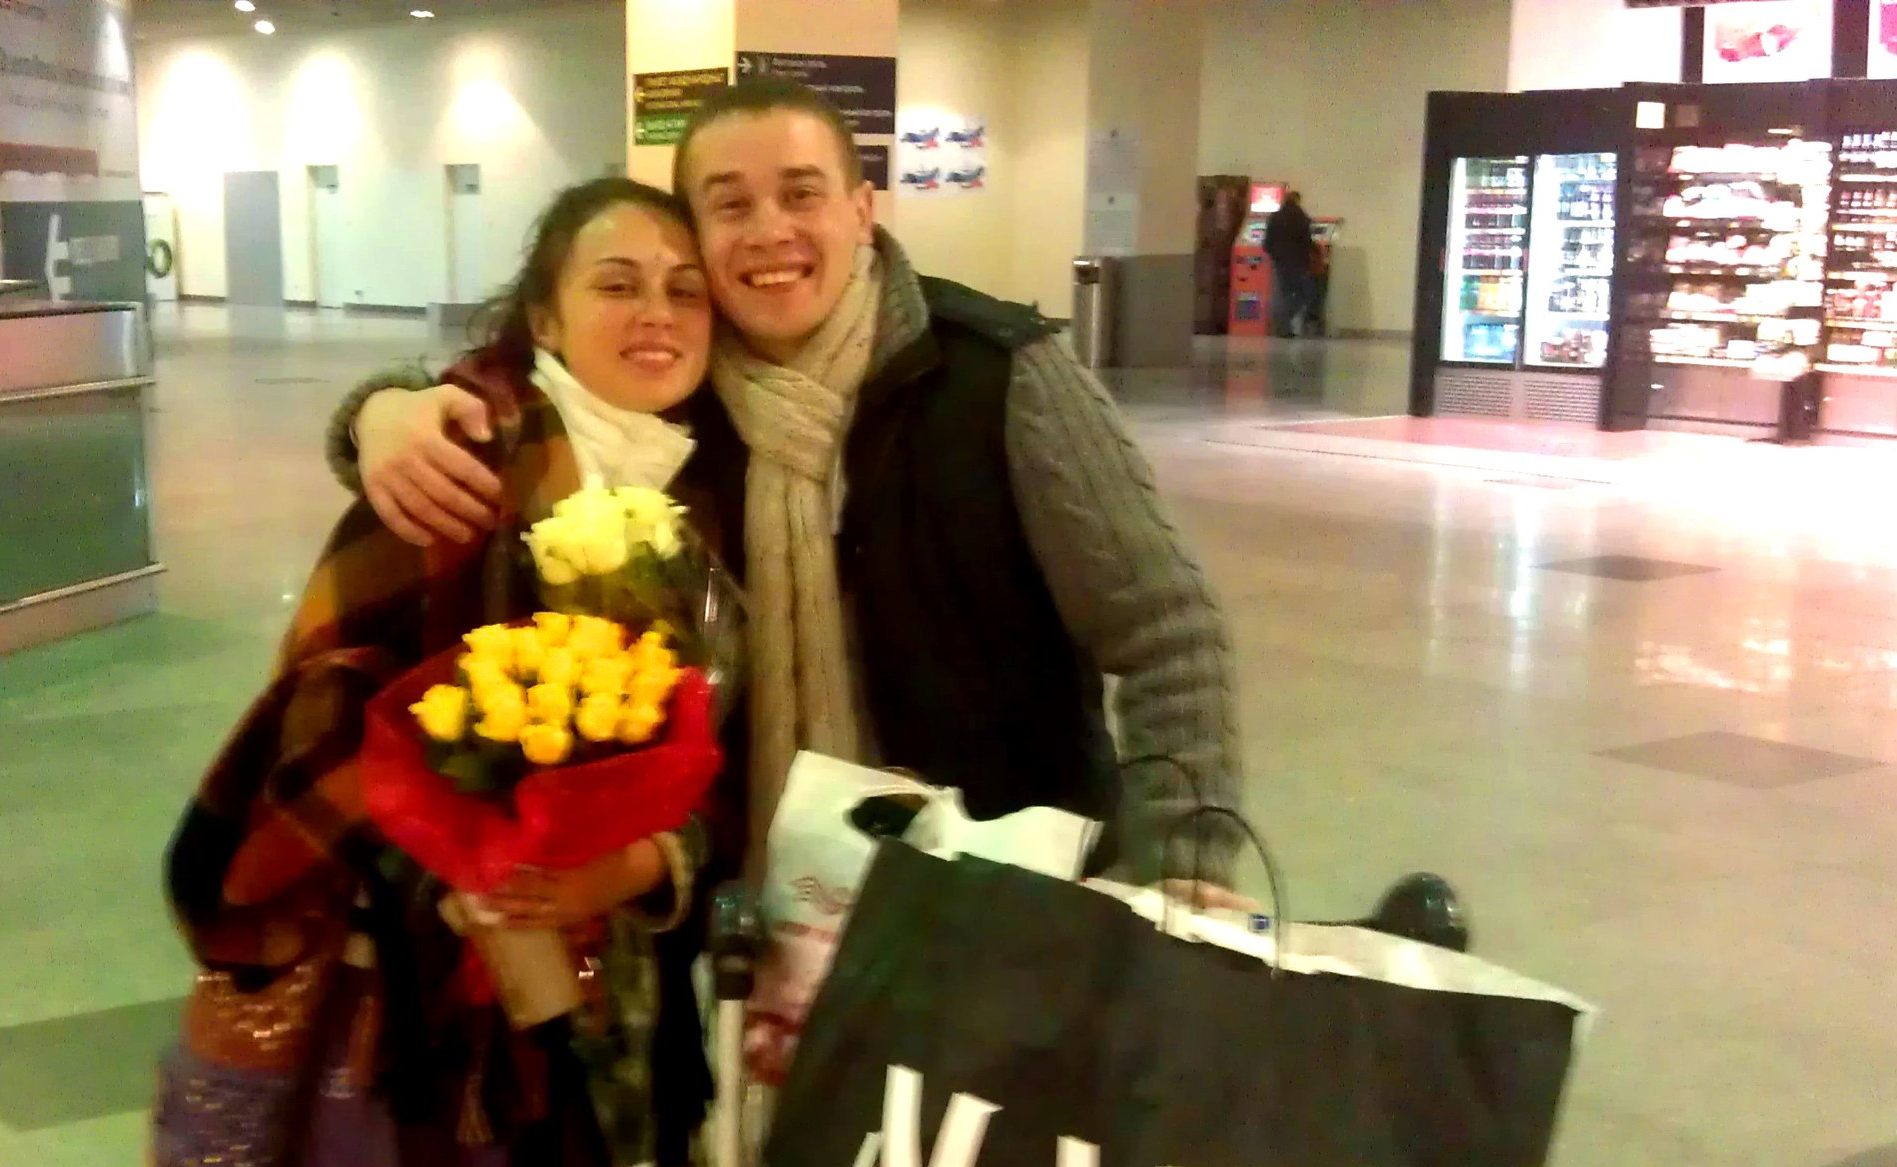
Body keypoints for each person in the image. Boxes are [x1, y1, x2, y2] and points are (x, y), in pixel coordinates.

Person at [333, 78, 1240, 894]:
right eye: (730, 205)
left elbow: (1168, 629)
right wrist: (383, 410)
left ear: (861, 210)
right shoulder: (683, 400)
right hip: (773, 912)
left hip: (1002, 895)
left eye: (801, 194)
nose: (769, 231)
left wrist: (1181, 866)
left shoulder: (999, 376)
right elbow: (520, 397)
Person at [167, 177, 740, 1167]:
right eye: (616, 283)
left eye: (683, 289)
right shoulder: (465, 460)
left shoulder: (697, 493)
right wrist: (467, 864)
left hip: (605, 1021)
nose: (656, 312)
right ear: (542, 313)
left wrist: (631, 865)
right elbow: (321, 728)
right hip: (418, 1025)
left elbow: (724, 770)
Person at [1262, 190, 1317, 339]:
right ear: (1298, 201)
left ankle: (1281, 325)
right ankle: (1285, 321)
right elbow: (1307, 242)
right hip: (1298, 263)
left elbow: (1266, 243)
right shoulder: (1302, 218)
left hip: (1279, 262)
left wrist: (1275, 255)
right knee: (1305, 293)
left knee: (1281, 294)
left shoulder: (1274, 217)